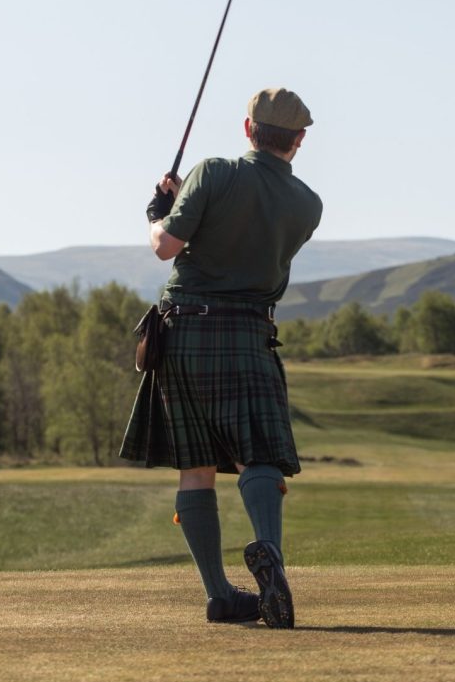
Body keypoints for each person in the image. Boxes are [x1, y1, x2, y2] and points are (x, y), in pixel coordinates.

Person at [120, 87, 322, 628]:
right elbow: (245, 228)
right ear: (298, 140)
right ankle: (270, 557)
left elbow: (166, 245)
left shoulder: (212, 173)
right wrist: (192, 202)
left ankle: (219, 594)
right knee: (259, 454)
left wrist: (162, 210)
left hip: (185, 330)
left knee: (196, 467)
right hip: (250, 333)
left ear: (247, 128)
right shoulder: (308, 204)